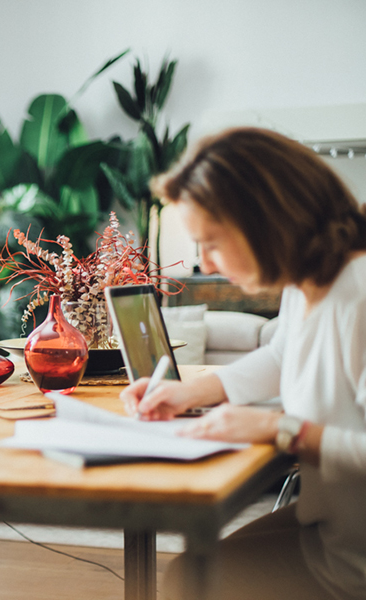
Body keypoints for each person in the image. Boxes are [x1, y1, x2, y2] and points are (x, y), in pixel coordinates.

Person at [120, 127, 366, 600]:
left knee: (189, 582)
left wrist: (283, 429)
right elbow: (281, 354)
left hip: (353, 567)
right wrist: (192, 392)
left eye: (210, 241)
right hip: (332, 530)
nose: (206, 264)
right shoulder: (307, 283)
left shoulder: (358, 295)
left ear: (266, 218)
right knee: (187, 573)